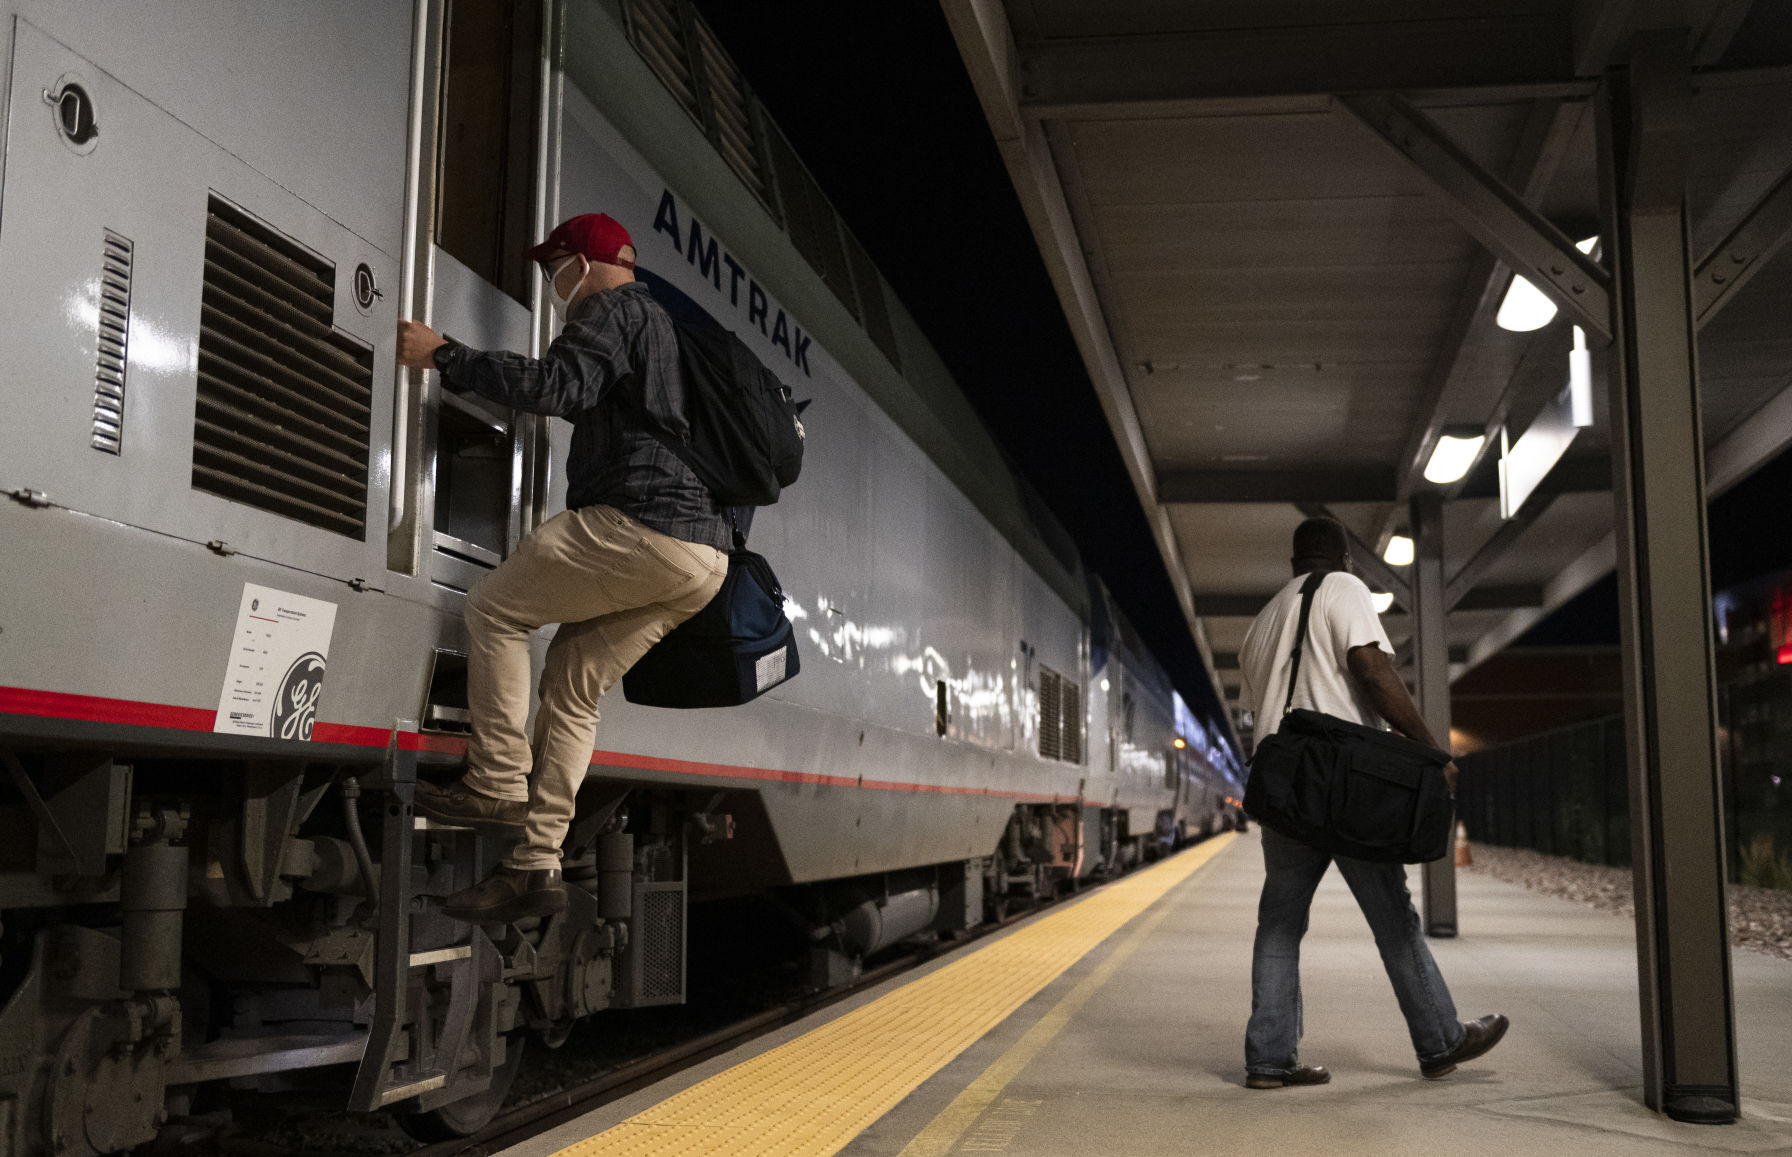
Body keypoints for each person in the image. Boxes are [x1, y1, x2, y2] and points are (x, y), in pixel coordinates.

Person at [394, 213, 729, 924]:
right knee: (573, 683)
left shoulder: (612, 308)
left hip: (643, 525)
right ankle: (533, 866)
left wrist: (444, 356)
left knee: (493, 608)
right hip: (703, 559)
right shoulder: (664, 328)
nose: (554, 284)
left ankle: (495, 782)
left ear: (586, 262)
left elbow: (558, 387)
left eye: (557, 267)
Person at [1236, 517, 1508, 1088]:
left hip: (1283, 791)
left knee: (1280, 925)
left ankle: (1268, 1059)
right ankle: (1440, 1040)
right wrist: (1431, 751)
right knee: (1394, 921)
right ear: (1344, 561)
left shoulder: (1259, 625)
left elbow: (1259, 710)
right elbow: (1372, 669)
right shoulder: (1346, 589)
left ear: (1292, 565)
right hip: (1346, 786)